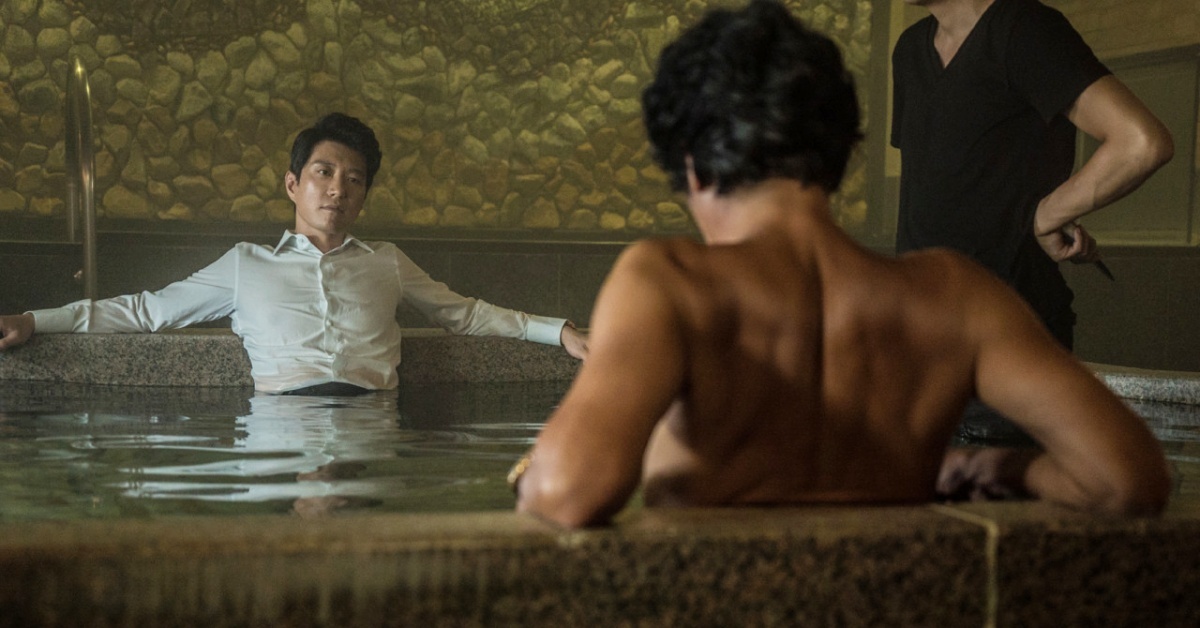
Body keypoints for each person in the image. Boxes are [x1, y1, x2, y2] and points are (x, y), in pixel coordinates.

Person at [511, 0, 1170, 529]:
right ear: (841, 149)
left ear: (692, 166)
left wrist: (534, 467)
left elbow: (565, 494)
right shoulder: (959, 295)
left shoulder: (668, 282)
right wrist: (968, 468)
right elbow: (1126, 477)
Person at [0, 113, 588, 394]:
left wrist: (558, 330)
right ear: (292, 184)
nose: (338, 190)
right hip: (281, 428)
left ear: (364, 195)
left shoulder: (386, 261)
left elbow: (465, 314)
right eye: (323, 173)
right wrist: (33, 320)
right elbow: (145, 311)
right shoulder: (245, 264)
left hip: (371, 423)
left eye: (354, 180)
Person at [891, 0, 1173, 442]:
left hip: (1010, 345)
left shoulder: (1024, 30)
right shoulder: (910, 50)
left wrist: (1047, 215)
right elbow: (935, 191)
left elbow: (1141, 142)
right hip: (921, 348)